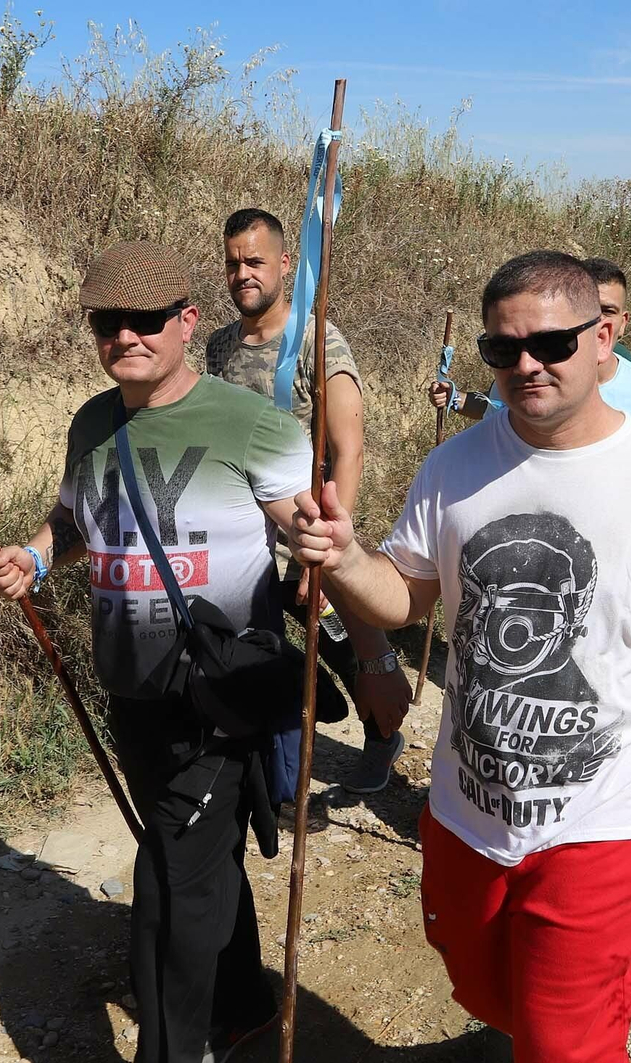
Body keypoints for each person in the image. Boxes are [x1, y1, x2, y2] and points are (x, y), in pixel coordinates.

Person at [292, 251, 631, 1063]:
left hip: (605, 822)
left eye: (549, 344)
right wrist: (341, 561)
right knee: (486, 989)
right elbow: (405, 597)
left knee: (564, 1046)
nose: (525, 365)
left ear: (604, 335)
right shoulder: (454, 468)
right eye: (502, 350)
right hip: (467, 819)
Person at [0, 242, 313, 1062]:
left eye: (145, 321)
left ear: (186, 321)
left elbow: (317, 541)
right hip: (130, 685)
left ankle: (172, 1049)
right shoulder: (93, 423)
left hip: (219, 694)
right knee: (195, 853)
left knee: (167, 875)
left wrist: (365, 644)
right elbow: (73, 519)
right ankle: (244, 1002)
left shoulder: (257, 427)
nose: (126, 337)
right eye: (108, 323)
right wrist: (33, 553)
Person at [207, 208, 412, 794]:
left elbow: (348, 450)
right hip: (244, 537)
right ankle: (268, 754)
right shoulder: (220, 347)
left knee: (346, 642)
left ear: (285, 266)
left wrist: (328, 552)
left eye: (255, 261)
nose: (243, 273)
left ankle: (381, 733)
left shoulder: (318, 342)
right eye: (233, 263)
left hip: (309, 532)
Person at [429, 258, 631, 450]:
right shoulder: (522, 371)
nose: (527, 366)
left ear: (617, 326)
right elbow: (493, 409)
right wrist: (455, 398)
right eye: (588, 310)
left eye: (607, 311)